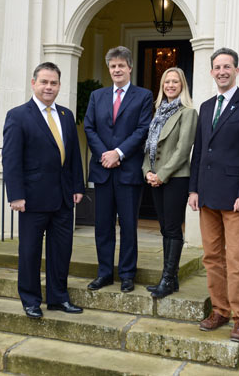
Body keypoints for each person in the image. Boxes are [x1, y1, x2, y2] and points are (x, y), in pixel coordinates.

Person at [188, 48, 239, 342]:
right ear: (211, 72)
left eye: (227, 66)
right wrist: (193, 188)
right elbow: (199, 151)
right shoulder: (206, 107)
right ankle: (220, 310)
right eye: (217, 67)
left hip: (235, 198)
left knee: (236, 259)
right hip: (207, 195)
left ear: (236, 70)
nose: (222, 71)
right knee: (211, 257)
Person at [2, 62, 85, 318]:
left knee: (62, 250)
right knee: (30, 251)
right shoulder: (18, 115)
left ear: (59, 85)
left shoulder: (66, 115)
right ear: (33, 83)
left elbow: (72, 155)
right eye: (44, 82)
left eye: (54, 83)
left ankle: (58, 298)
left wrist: (78, 186)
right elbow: (11, 158)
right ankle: (30, 300)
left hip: (62, 197)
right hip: (32, 198)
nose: (49, 87)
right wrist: (15, 195)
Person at [84, 46, 153, 293]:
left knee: (128, 226)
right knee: (102, 226)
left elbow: (142, 130)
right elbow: (89, 127)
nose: (116, 70)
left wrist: (119, 153)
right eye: (113, 66)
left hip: (128, 172)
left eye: (121, 65)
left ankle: (126, 274)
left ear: (130, 68)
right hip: (103, 170)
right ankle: (104, 273)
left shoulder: (144, 96)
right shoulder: (97, 96)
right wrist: (106, 154)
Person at [142, 67, 198, 299]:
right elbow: (149, 147)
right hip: (155, 178)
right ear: (162, 85)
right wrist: (147, 172)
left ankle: (166, 279)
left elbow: (182, 150)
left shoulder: (188, 113)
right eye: (167, 81)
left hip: (175, 178)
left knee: (173, 228)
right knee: (165, 227)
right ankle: (171, 279)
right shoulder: (158, 112)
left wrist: (161, 174)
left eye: (175, 82)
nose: (171, 85)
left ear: (182, 85)